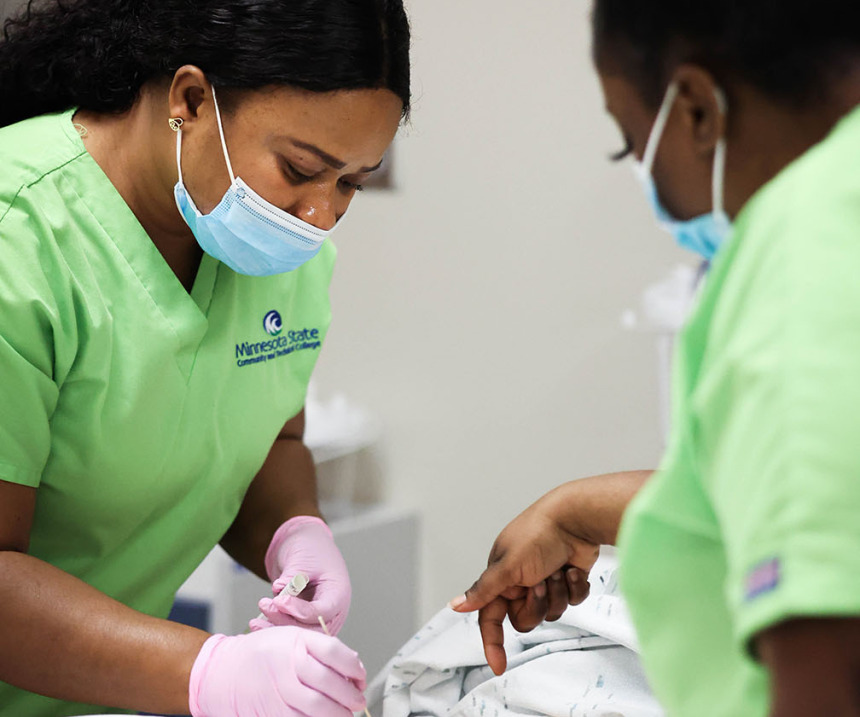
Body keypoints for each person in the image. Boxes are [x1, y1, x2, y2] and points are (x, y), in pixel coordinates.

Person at [0, 0, 410, 714]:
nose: (320, 215)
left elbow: (267, 438)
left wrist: (294, 532)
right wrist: (210, 670)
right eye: (300, 167)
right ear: (190, 100)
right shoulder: (20, 237)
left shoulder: (282, 252)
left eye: (351, 182)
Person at [451, 2, 860, 715]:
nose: (644, 172)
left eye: (631, 141)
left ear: (698, 110)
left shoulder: (810, 252)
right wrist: (577, 511)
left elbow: (831, 649)